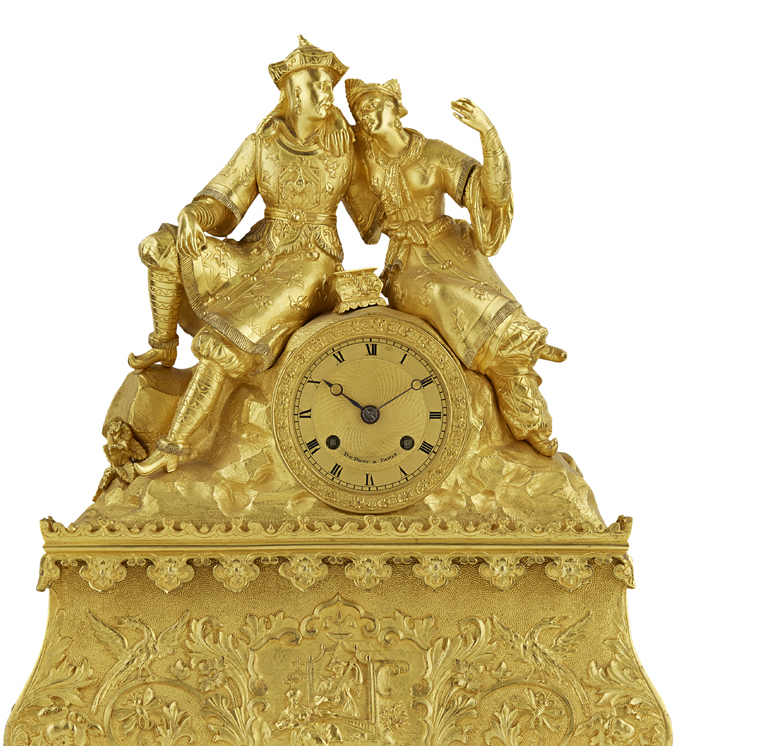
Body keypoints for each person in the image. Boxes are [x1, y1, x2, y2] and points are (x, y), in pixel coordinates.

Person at [132, 38, 355, 476]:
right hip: (259, 252)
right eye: (317, 86)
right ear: (292, 93)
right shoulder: (262, 144)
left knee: (221, 345)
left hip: (311, 265)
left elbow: (382, 205)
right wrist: (195, 214)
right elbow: (225, 203)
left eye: (329, 86)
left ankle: (174, 446)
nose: (327, 94)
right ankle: (163, 345)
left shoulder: (345, 145)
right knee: (160, 248)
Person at [343, 79, 565, 456]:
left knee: (500, 341)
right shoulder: (363, 164)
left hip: (455, 254)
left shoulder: (433, 153)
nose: (367, 113)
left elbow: (490, 193)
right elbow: (366, 224)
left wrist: (487, 134)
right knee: (436, 291)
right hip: (407, 266)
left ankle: (532, 421)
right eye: (361, 110)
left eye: (376, 104)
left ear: (398, 109)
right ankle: (521, 344)